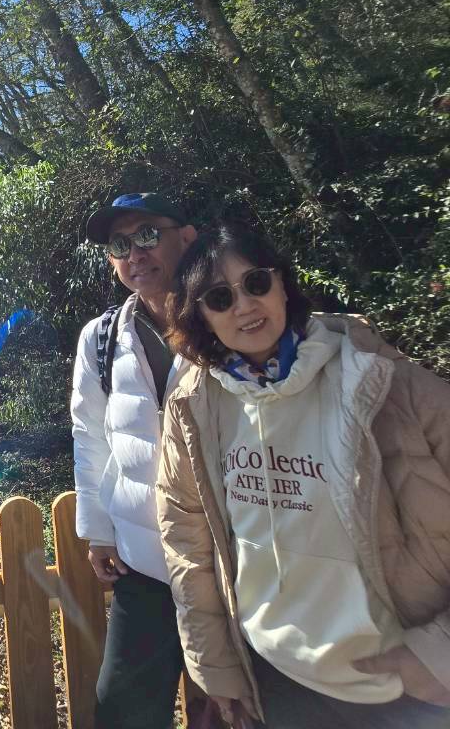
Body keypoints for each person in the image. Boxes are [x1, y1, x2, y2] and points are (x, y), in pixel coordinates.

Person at [156, 223, 450, 728]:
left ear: (282, 284)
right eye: (220, 298)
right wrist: (217, 665)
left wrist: (438, 652)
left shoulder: (380, 379)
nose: (245, 306)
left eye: (256, 283)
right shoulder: (195, 404)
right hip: (276, 677)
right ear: (200, 315)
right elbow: (187, 542)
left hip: (401, 684)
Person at [71, 192, 198, 728]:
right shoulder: (101, 338)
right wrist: (98, 531)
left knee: (237, 705)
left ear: (186, 237)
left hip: (233, 562)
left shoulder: (228, 317)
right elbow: (89, 435)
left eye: (147, 235)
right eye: (120, 246)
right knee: (123, 707)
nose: (135, 254)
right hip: (143, 561)